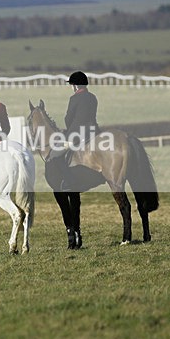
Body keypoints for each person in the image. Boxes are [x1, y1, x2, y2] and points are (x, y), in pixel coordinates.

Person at [52, 71, 99, 249]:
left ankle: (67, 181)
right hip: (94, 132)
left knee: (56, 156)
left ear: (74, 85)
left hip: (77, 134)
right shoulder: (93, 97)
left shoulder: (74, 99)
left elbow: (68, 118)